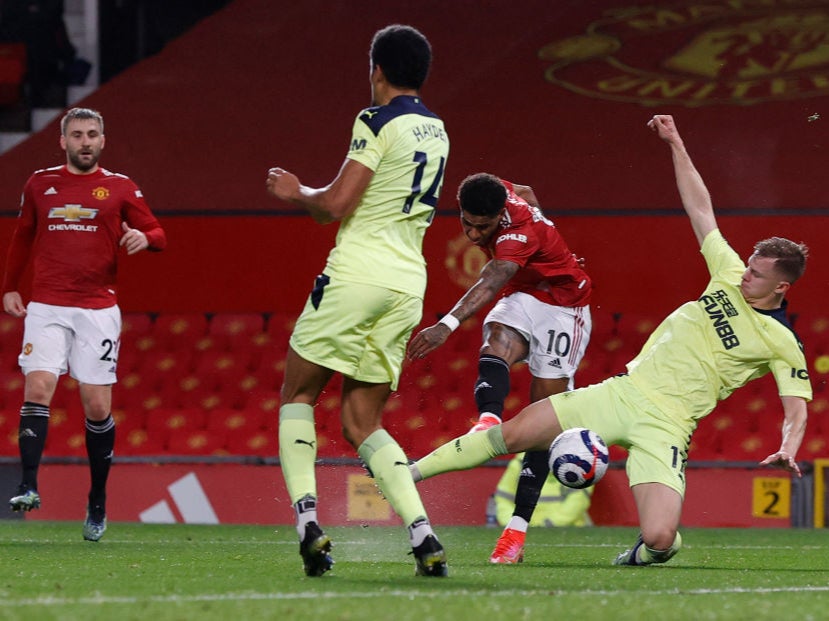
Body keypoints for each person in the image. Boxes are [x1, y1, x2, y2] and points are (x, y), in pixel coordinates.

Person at [409, 114, 811, 566]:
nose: (746, 275)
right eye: (749, 265)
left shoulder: (781, 341)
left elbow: (796, 406)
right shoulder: (728, 272)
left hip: (669, 428)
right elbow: (701, 207)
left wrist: (787, 448)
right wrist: (675, 141)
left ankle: (647, 552)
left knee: (661, 538)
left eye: (757, 274)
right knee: (510, 434)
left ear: (781, 288)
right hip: (623, 393)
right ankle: (407, 475)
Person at [265, 24, 450, 577]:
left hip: (359, 273)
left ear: (377, 71)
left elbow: (336, 204)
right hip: (407, 284)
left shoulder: (376, 120)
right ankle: (423, 536)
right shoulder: (438, 129)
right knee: (360, 420)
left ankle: (308, 524)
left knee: (298, 393)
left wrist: (297, 191)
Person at [407, 172, 591, 563]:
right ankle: (489, 420)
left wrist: (447, 324)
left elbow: (490, 282)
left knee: (544, 423)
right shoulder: (498, 190)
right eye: (467, 224)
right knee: (497, 336)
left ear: (499, 218)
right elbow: (525, 190)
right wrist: (546, 225)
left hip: (565, 307)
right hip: (526, 295)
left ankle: (514, 535)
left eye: (483, 227)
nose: (474, 236)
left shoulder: (517, 235)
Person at [2, 107, 167, 541]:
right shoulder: (40, 183)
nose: (85, 141)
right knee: (37, 387)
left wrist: (144, 237)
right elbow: (22, 236)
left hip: (97, 310)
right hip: (47, 306)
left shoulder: (120, 188)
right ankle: (28, 485)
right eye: (77, 134)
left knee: (96, 407)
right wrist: (9, 287)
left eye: (92, 134)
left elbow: (158, 233)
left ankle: (97, 499)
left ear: (103, 140)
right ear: (63, 141)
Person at [490, 452, 593, 528]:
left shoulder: (577, 462)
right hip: (525, 530)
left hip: (569, 531)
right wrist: (517, 524)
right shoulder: (519, 463)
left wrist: (549, 524)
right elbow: (503, 499)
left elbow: (578, 501)